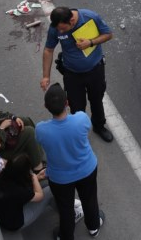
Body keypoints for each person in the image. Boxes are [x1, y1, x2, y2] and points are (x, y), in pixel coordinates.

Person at [36, 84, 104, 240]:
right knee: (89, 199)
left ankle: (65, 236)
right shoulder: (81, 119)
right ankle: (94, 227)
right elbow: (85, 128)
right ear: (66, 103)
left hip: (60, 178)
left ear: (46, 107)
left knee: (65, 208)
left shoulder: (41, 130)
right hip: (86, 170)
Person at [40, 7, 114, 143]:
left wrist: (90, 42)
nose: (60, 32)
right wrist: (46, 76)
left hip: (95, 70)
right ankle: (79, 133)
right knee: (76, 106)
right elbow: (48, 50)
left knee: (97, 100)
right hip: (72, 74)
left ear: (72, 21)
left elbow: (108, 34)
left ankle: (99, 126)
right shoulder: (55, 28)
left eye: (63, 29)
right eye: (59, 29)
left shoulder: (90, 17)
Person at [0, 154, 84, 232]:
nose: (29, 171)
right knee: (50, 190)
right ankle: (71, 215)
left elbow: (23, 187)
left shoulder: (4, 176)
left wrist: (38, 177)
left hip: (7, 212)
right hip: (15, 222)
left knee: (46, 186)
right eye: (28, 170)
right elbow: (40, 196)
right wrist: (34, 178)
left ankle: (67, 208)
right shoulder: (18, 191)